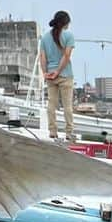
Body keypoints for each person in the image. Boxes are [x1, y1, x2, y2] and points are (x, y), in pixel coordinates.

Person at [39, 11, 76, 140]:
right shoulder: (68, 35)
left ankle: (52, 131)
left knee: (51, 104)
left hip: (50, 75)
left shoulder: (44, 38)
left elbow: (42, 57)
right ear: (66, 23)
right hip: (64, 74)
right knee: (67, 106)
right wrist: (58, 71)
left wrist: (45, 73)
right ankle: (69, 132)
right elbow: (66, 56)